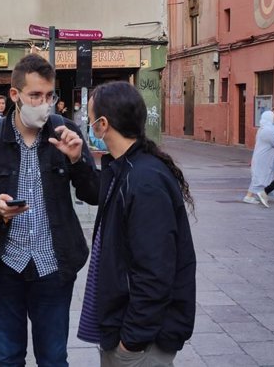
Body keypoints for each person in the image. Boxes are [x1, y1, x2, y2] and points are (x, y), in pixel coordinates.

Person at [0, 53, 100, 367]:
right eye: (35, 95)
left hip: (53, 266)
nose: (43, 103)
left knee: (53, 359)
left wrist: (78, 160)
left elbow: (94, 194)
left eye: (49, 96)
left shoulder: (64, 132)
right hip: (3, 266)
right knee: (9, 358)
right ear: (15, 95)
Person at [77, 81, 196, 367]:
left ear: (102, 124)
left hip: (141, 344)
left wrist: (130, 341)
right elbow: (96, 191)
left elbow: (155, 271)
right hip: (128, 332)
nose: (88, 124)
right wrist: (75, 160)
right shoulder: (126, 168)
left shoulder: (144, 181)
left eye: (90, 117)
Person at [243, 111, 274, 204]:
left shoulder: (264, 128)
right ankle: (248, 196)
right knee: (259, 177)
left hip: (266, 157)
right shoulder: (268, 130)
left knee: (272, 176)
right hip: (264, 158)